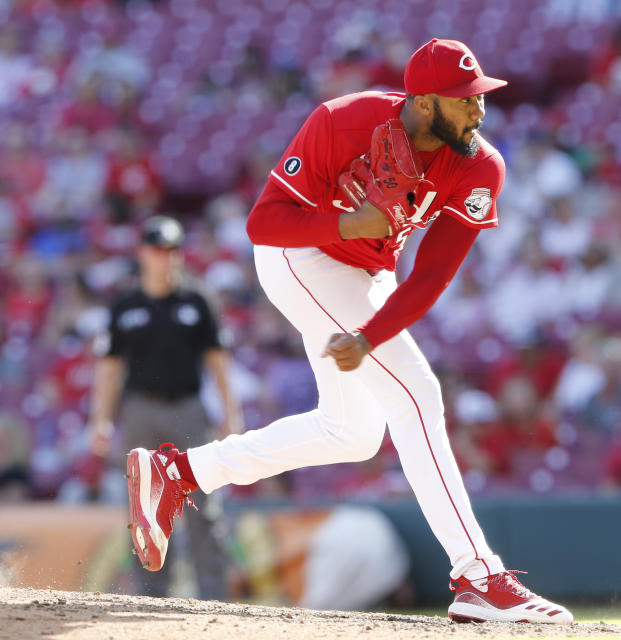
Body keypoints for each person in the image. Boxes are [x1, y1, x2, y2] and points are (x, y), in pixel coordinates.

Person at [124, 39, 572, 623]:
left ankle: (178, 473)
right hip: (300, 257)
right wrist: (344, 220)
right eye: (464, 100)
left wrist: (370, 335)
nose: (478, 110)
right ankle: (478, 575)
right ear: (426, 102)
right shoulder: (344, 119)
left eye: (479, 96)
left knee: (354, 434)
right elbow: (264, 223)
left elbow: (432, 273)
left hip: (366, 273)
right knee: (417, 393)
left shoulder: (481, 164)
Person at [88, 215, 241, 599]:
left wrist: (231, 413)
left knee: (204, 505)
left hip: (188, 410)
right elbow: (109, 370)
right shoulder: (125, 304)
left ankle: (213, 598)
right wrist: (101, 421)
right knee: (144, 510)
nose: (166, 257)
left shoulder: (197, 298)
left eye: (173, 249)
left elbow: (218, 362)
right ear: (142, 252)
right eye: (159, 249)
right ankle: (152, 597)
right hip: (140, 411)